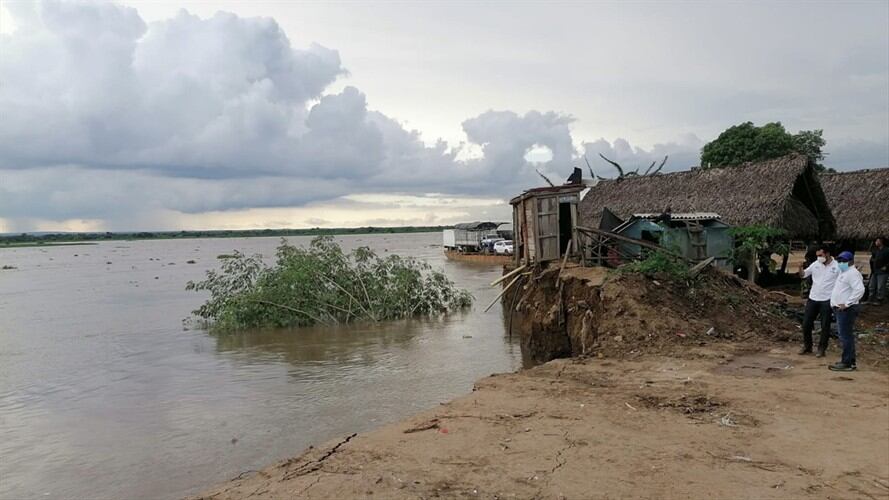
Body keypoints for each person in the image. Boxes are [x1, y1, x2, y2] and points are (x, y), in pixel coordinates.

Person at [798, 244, 839, 357]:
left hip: (827, 299)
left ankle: (822, 349)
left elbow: (844, 279)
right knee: (806, 323)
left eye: (820, 255)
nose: (819, 258)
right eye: (817, 256)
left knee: (825, 325)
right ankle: (807, 346)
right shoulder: (816, 264)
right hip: (813, 298)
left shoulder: (837, 266)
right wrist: (800, 268)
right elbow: (803, 275)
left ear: (827, 254)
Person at [828, 251, 866, 371]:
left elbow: (859, 290)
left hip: (846, 310)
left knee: (845, 335)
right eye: (839, 260)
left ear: (850, 261)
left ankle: (847, 362)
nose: (841, 263)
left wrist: (847, 303)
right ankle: (849, 361)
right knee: (845, 335)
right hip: (840, 309)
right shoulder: (844, 272)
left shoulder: (852, 273)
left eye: (843, 261)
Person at [867, 237, 888, 304]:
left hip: (882, 272)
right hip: (874, 271)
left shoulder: (887, 250)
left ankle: (880, 299)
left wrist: (886, 266)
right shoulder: (875, 250)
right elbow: (872, 258)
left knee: (880, 286)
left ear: (881, 242)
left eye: (877, 241)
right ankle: (870, 299)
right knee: (871, 286)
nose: (876, 242)